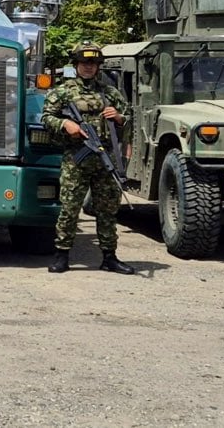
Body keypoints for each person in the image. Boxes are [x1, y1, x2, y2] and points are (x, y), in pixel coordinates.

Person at [41, 44, 136, 275]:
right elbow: (46, 117)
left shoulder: (110, 93)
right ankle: (62, 255)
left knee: (107, 210)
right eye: (84, 63)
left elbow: (129, 120)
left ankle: (109, 257)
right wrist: (65, 124)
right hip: (76, 159)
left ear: (98, 67)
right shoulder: (62, 92)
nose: (88, 67)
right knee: (70, 208)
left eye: (92, 64)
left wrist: (119, 117)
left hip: (105, 160)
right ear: (76, 65)